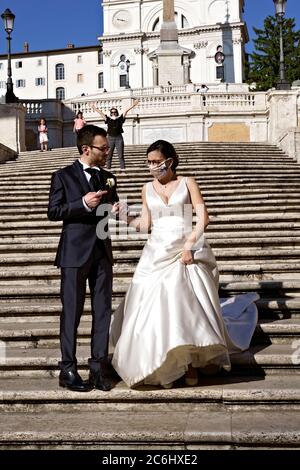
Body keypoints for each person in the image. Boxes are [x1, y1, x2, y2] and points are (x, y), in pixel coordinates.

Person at [110, 140, 258, 389]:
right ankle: (170, 362)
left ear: (170, 160)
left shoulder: (188, 182)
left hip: (185, 246)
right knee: (158, 309)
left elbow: (203, 218)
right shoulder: (146, 188)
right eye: (149, 162)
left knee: (184, 306)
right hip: (157, 251)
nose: (152, 166)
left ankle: (192, 362)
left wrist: (190, 244)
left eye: (156, 161)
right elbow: (146, 225)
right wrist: (123, 216)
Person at [48, 125, 119, 392]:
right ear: (86, 149)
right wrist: (83, 204)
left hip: (102, 252)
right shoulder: (63, 176)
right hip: (74, 253)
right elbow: (53, 211)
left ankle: (98, 369)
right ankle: (67, 369)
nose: (107, 151)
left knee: (102, 313)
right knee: (72, 313)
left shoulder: (110, 178)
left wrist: (114, 210)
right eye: (103, 148)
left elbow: (109, 214)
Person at [92, 99, 139, 171]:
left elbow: (126, 111)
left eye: (115, 112)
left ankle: (123, 170)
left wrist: (133, 105)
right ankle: (108, 169)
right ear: (110, 113)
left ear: (117, 112)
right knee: (109, 155)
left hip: (118, 138)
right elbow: (101, 113)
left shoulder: (120, 119)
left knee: (120, 155)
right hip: (110, 138)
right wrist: (94, 107)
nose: (113, 113)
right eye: (112, 112)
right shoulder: (108, 119)